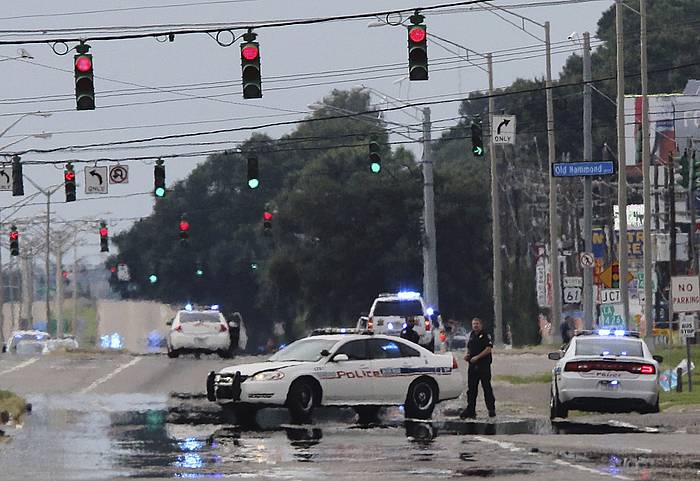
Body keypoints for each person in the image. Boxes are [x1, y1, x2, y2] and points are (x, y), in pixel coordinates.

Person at [460, 317, 496, 419]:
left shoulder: (485, 335)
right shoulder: (471, 335)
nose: (475, 325)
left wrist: (478, 357)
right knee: (471, 390)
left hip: (483, 366)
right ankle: (470, 410)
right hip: (472, 366)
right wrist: (468, 355)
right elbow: (469, 348)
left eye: (477, 324)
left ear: (481, 325)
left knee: (486, 388)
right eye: (473, 324)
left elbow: (488, 349)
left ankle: (491, 410)